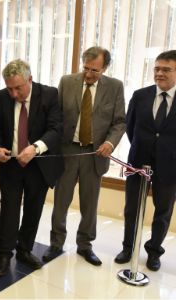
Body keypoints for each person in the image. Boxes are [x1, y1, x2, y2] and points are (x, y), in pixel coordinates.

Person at [43, 46, 126, 266]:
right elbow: (57, 117)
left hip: (95, 153)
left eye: (95, 71)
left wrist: (109, 143)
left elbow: (119, 122)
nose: (88, 75)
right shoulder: (67, 81)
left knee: (90, 204)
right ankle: (56, 244)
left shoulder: (115, 87)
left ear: (105, 67)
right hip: (68, 150)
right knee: (61, 202)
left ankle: (85, 246)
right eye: (86, 68)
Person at [0, 59, 64, 276]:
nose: (13, 94)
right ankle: (4, 255)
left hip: (38, 165)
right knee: (9, 210)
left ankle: (24, 250)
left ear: (29, 79)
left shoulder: (49, 95)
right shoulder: (3, 97)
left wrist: (36, 148)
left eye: (18, 88)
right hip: (11, 164)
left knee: (33, 209)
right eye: (9, 88)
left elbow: (56, 129)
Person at [114, 50, 176, 271]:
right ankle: (129, 248)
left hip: (170, 167)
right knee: (132, 208)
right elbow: (130, 129)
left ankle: (154, 252)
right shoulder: (140, 96)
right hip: (138, 162)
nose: (159, 73)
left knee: (163, 212)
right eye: (157, 68)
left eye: (166, 69)